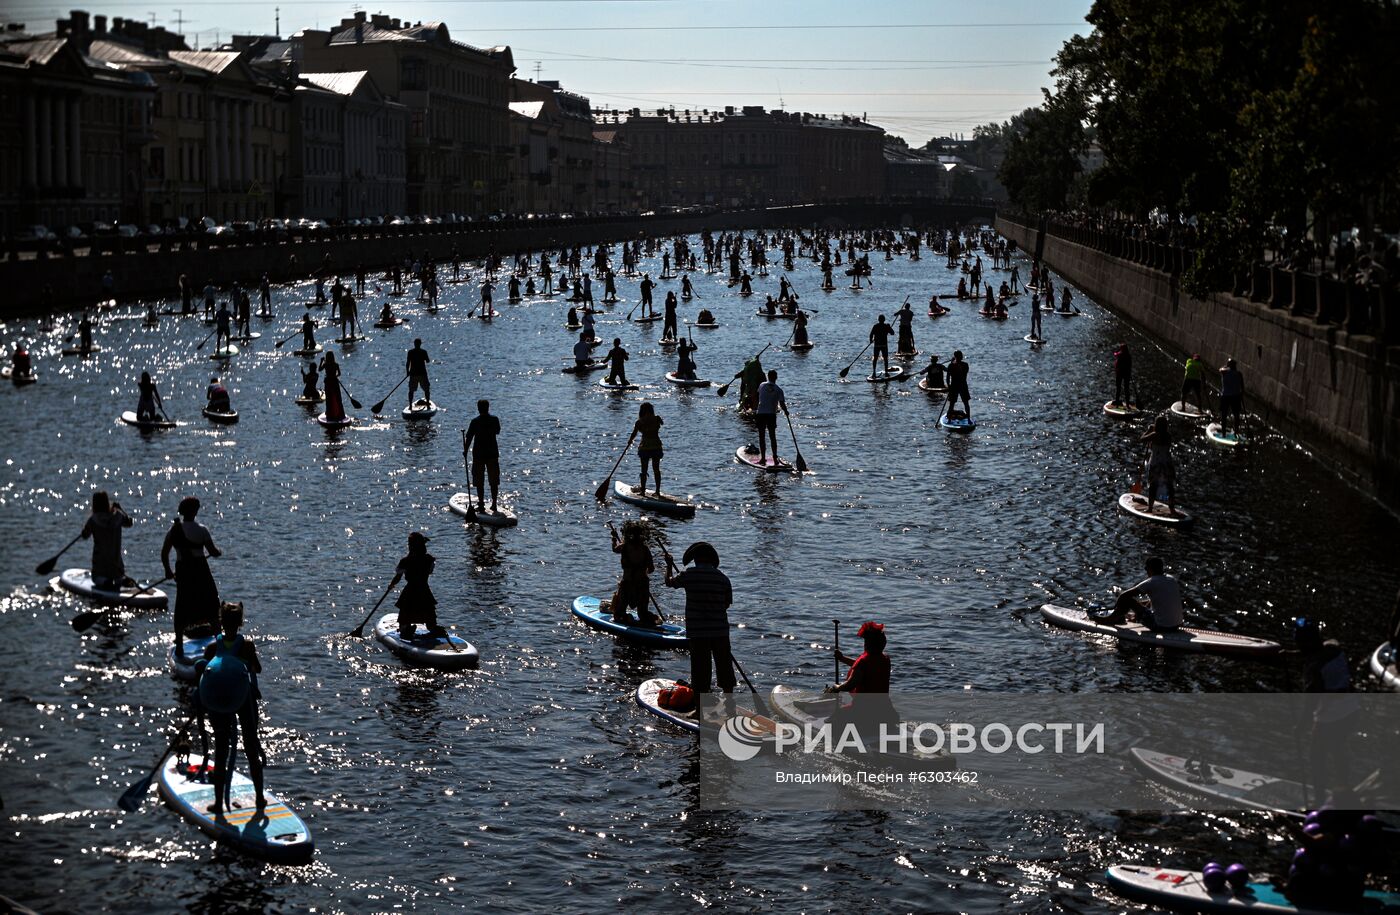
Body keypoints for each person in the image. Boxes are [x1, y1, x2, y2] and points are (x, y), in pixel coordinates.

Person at [195, 600, 265, 816]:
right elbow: (257, 669)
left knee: (222, 750)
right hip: (243, 698)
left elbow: (203, 671)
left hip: (219, 700)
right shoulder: (247, 646)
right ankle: (260, 798)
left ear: (221, 622)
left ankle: (218, 803)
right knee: (251, 747)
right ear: (241, 622)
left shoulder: (212, 648)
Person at [664, 541, 735, 710]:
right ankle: (730, 704)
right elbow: (727, 603)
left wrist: (668, 565)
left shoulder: (689, 574)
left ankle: (699, 711)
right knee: (724, 667)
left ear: (696, 559)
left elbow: (669, 582)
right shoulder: (723, 578)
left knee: (700, 671)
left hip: (698, 633)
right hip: (720, 632)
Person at [162, 496, 223, 660]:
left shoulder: (173, 530)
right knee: (211, 606)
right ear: (195, 511)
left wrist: (168, 571)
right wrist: (218, 552)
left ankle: (180, 646)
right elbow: (213, 551)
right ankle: (221, 643)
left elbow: (164, 553)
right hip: (201, 571)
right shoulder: (202, 530)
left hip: (184, 572)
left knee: (182, 605)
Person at [825, 620, 899, 741]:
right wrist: (842, 658)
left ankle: (841, 743)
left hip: (864, 710)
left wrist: (835, 688)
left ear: (867, 643)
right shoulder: (885, 659)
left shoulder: (864, 661)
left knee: (835, 720)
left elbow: (850, 684)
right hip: (884, 709)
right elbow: (864, 667)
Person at [1096, 556, 1183, 630]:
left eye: (1146, 568)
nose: (1146, 571)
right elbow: (1158, 601)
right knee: (1142, 604)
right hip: (1177, 625)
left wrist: (1117, 607)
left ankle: (1110, 619)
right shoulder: (1171, 579)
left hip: (1161, 626)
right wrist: (1138, 610)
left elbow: (1124, 596)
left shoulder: (1151, 582)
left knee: (1128, 600)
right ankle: (1127, 617)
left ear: (1150, 568)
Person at [609, 521, 659, 627]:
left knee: (619, 612)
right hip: (642, 584)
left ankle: (625, 617)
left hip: (628, 584)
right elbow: (651, 569)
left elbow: (614, 549)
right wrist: (641, 571)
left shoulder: (624, 546)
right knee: (643, 613)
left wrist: (614, 539)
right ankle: (648, 619)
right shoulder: (645, 549)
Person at [82, 491, 133, 590]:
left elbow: (85, 536)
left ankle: (105, 582)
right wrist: (121, 510)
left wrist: (84, 531)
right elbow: (129, 523)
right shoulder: (118, 516)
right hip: (116, 565)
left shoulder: (93, 520)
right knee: (118, 575)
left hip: (100, 565)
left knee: (96, 578)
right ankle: (120, 580)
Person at [462, 400, 502, 513]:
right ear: (488, 408)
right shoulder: (494, 420)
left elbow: (469, 437)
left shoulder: (475, 422)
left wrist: (465, 450)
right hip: (492, 453)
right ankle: (494, 503)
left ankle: (481, 503)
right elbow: (498, 431)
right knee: (493, 479)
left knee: (479, 480)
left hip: (479, 454)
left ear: (479, 409)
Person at [1139, 415, 1177, 515]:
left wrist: (1149, 430)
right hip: (1167, 463)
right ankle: (1172, 509)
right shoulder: (1168, 435)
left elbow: (1142, 439)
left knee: (1153, 485)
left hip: (1156, 463)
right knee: (1169, 486)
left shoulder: (1154, 435)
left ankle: (1150, 508)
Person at [626, 402, 665, 496]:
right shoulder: (657, 419)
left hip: (645, 447)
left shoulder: (639, 422)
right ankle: (657, 491)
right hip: (656, 446)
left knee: (644, 470)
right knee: (656, 469)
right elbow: (662, 423)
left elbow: (634, 434)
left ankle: (643, 491)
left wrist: (629, 441)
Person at [755, 369, 787, 464]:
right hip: (771, 415)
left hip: (761, 413)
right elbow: (782, 404)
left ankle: (763, 458)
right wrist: (786, 411)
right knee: (772, 436)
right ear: (776, 377)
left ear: (768, 376)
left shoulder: (761, 385)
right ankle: (775, 458)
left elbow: (758, 395)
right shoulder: (779, 390)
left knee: (762, 436)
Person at [1218, 357, 1244, 433]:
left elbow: (1221, 369)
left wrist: (1226, 366)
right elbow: (1242, 387)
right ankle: (1236, 431)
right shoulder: (1239, 374)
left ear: (1228, 365)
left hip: (1226, 396)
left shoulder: (1224, 372)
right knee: (1236, 415)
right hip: (1236, 396)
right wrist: (1241, 395)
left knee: (1224, 415)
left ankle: (1223, 432)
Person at [406, 339, 431, 410]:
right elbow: (428, 361)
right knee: (426, 389)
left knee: (411, 390)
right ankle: (428, 404)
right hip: (422, 374)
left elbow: (408, 363)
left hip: (413, 374)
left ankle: (410, 405)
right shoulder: (423, 352)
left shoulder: (410, 352)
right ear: (420, 344)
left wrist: (407, 372)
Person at [321, 350, 346, 422]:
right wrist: (334, 376)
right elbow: (339, 374)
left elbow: (319, 369)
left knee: (329, 398)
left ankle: (329, 413)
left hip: (328, 382)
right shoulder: (336, 364)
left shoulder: (325, 364)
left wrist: (321, 361)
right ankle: (341, 414)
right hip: (334, 382)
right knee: (338, 398)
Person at [946, 351, 971, 419]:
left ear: (955, 357)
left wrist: (949, 386)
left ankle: (949, 418)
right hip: (962, 385)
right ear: (961, 357)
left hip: (954, 386)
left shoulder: (951, 365)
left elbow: (948, 378)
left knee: (952, 403)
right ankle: (968, 417)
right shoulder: (965, 365)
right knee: (966, 403)